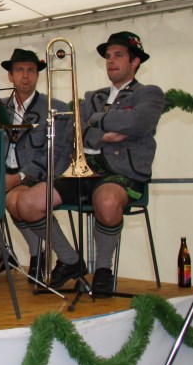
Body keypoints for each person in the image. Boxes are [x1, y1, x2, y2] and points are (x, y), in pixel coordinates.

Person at [14, 31, 164, 297]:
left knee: (107, 201)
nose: (111, 60)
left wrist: (96, 120)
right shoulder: (93, 96)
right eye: (108, 56)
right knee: (27, 203)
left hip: (121, 173)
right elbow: (74, 131)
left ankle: (103, 270)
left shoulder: (149, 93)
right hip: (83, 170)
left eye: (118, 55)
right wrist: (102, 133)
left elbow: (138, 122)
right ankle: (70, 259)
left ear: (135, 62)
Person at [0, 48, 71, 281]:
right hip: (6, 175)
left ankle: (43, 255)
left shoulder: (55, 107)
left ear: (37, 76)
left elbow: (58, 153)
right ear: (10, 76)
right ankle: (21, 252)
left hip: (38, 176)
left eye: (31, 70)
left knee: (14, 199)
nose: (25, 75)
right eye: (19, 70)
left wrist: (21, 176)